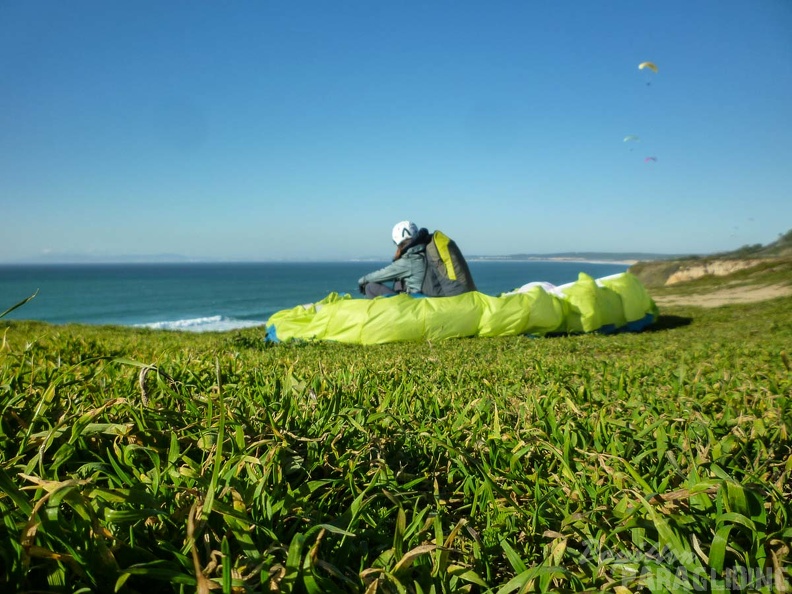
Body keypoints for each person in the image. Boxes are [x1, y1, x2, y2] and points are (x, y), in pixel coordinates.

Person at [358, 221, 430, 298]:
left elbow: (382, 274)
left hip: (413, 303)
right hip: (424, 299)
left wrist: (362, 280)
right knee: (398, 283)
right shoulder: (424, 251)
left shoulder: (410, 259)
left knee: (370, 287)